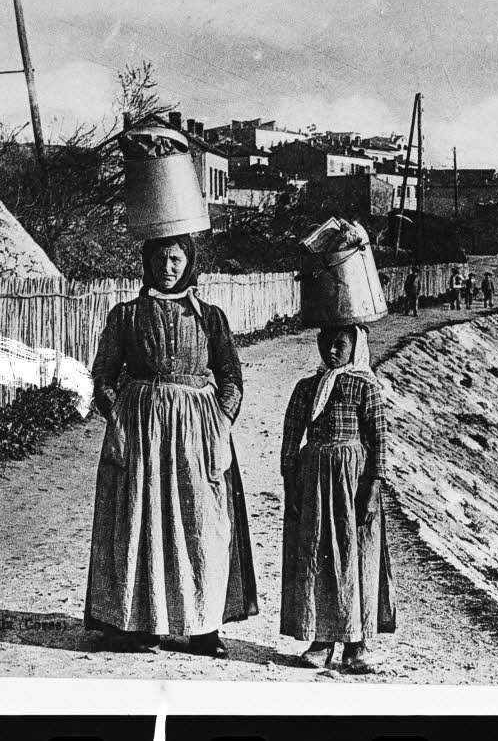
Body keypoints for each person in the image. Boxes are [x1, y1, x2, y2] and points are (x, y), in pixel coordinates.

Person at [84, 234, 258, 658]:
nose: (167, 266)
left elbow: (231, 376)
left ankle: (202, 629)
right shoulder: (126, 315)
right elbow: (103, 373)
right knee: (141, 521)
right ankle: (142, 624)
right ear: (147, 262)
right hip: (142, 430)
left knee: (202, 523)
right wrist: (119, 413)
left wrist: (219, 419)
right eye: (160, 258)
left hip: (197, 433)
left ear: (189, 262)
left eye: (176, 258)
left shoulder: (210, 317)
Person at [280, 325, 396, 673]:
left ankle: (356, 642)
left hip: (352, 483)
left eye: (339, 344)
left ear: (355, 345)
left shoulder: (365, 387)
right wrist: (290, 483)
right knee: (317, 552)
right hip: (313, 479)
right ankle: (321, 637)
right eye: (325, 343)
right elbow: (290, 437)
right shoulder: (306, 388)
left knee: (354, 554)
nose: (331, 350)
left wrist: (374, 487)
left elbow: (379, 439)